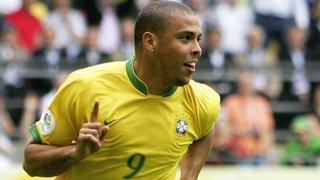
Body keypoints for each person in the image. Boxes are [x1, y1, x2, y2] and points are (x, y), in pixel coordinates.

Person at [23, 1, 221, 179]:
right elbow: (31, 163)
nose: (197, 49)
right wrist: (75, 153)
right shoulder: (85, 86)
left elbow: (205, 130)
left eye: (198, 39)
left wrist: (188, 176)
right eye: (186, 38)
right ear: (150, 41)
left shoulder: (204, 101)